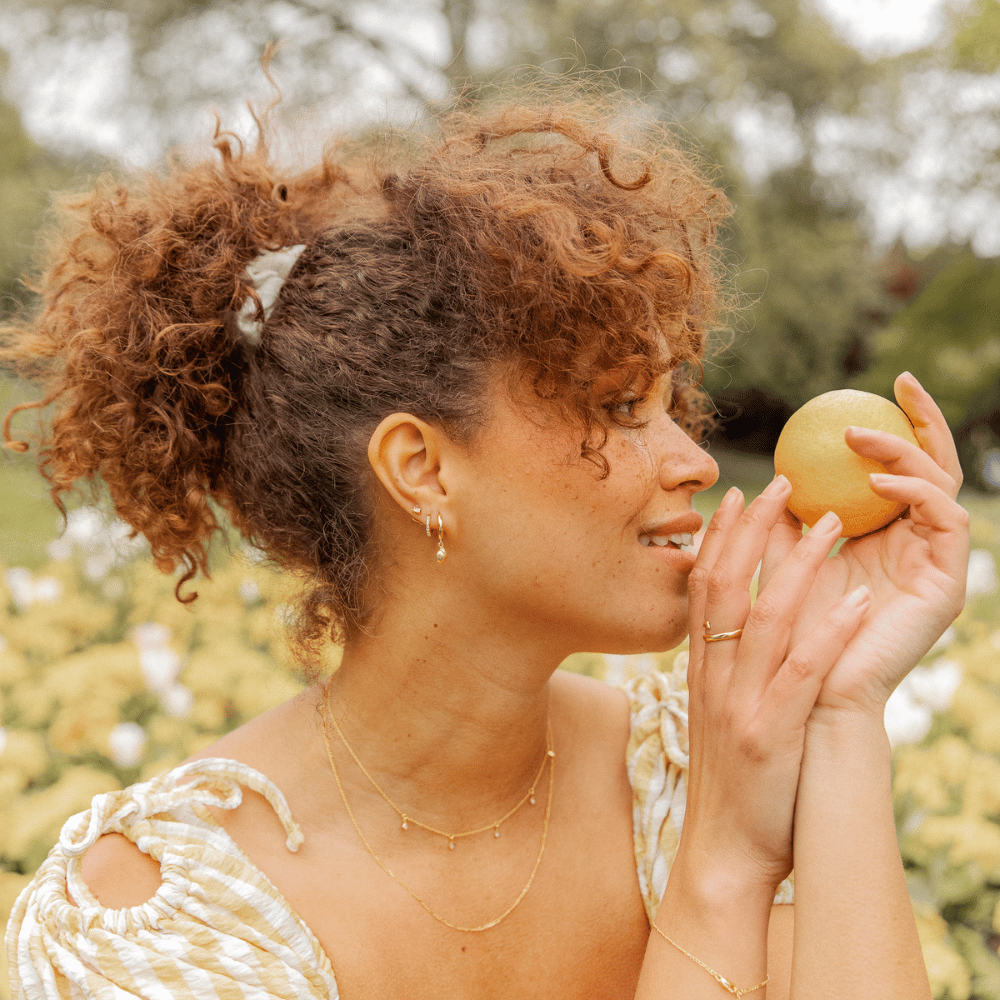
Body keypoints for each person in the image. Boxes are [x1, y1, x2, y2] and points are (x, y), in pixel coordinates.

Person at [2, 88, 968, 1000]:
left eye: (673, 404)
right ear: (423, 470)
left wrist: (841, 707)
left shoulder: (703, 762)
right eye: (620, 406)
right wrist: (721, 873)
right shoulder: (156, 923)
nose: (695, 462)